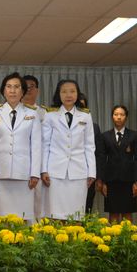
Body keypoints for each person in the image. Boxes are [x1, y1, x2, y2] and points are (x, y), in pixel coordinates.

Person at [0, 73, 41, 221]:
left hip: (24, 174)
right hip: (0, 174)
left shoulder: (32, 113)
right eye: (9, 87)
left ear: (22, 91)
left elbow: (36, 146)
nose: (12, 90)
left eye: (17, 87)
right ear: (3, 91)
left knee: (23, 216)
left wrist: (35, 173)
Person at [41, 78, 96, 221]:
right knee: (55, 215)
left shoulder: (85, 116)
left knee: (76, 215)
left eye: (72, 91)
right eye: (64, 91)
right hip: (55, 172)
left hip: (78, 172)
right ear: (58, 94)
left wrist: (92, 172)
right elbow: (45, 144)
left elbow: (89, 145)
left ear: (78, 94)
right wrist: (43, 170)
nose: (68, 95)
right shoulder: (50, 115)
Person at [99, 104, 137, 223]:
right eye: (116, 114)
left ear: (126, 117)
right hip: (111, 181)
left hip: (128, 181)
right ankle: (113, 235)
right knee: (113, 213)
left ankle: (127, 235)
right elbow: (102, 159)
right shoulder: (105, 136)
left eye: (122, 114)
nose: (119, 117)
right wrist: (102, 181)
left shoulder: (134, 135)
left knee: (127, 213)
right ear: (112, 117)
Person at [21, 74, 47, 220]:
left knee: (40, 207)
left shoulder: (46, 113)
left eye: (32, 87)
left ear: (37, 90)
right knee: (21, 207)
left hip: (42, 166)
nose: (28, 90)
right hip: (21, 165)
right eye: (25, 87)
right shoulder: (14, 112)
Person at [78, 93, 104, 215]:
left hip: (88, 176)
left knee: (86, 209)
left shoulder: (94, 127)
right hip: (66, 176)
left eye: (82, 106)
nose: (80, 109)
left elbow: (99, 154)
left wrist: (98, 178)